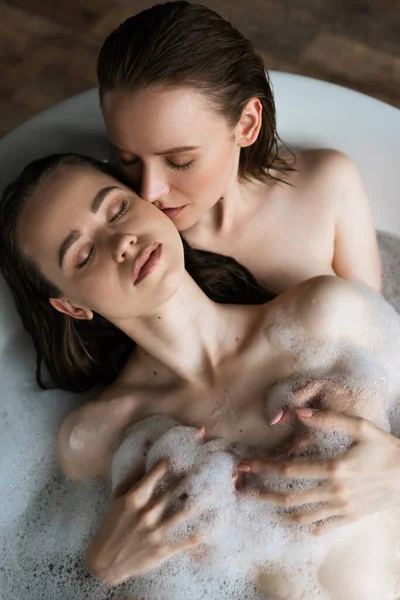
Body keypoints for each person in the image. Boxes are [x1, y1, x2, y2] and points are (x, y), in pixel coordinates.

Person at [1, 153, 400, 599]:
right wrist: (102, 568)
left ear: (151, 205)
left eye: (117, 209)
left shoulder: (324, 317)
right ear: (73, 307)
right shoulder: (99, 438)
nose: (123, 242)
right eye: (86, 253)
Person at [96, 0, 395, 527]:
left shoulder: (325, 187)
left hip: (350, 460)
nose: (149, 191)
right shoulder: (136, 245)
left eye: (180, 160)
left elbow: (379, 350)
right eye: (126, 159)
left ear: (247, 123)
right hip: (238, 493)